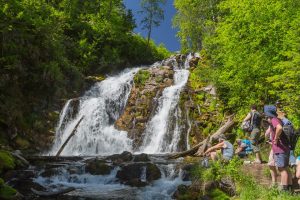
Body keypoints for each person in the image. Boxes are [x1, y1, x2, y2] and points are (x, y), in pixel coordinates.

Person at [264, 105, 291, 191]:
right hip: (284, 147)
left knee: (281, 169)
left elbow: (279, 128)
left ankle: (284, 189)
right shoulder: (278, 119)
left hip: (280, 148)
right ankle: (289, 186)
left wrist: (275, 139)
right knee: (285, 167)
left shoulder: (274, 119)